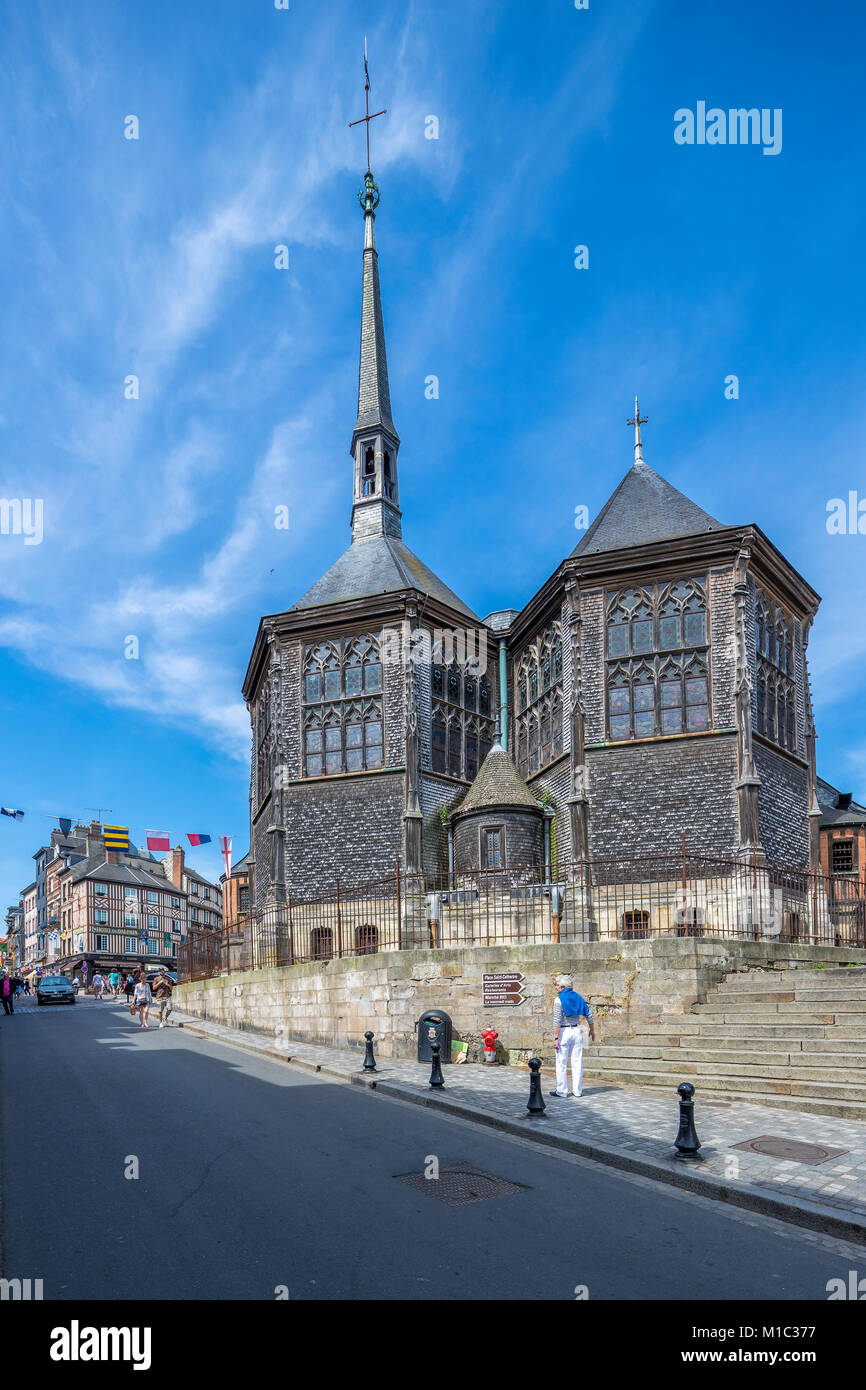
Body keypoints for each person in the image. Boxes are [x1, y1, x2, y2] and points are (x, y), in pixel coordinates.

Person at [550, 973, 596, 1100]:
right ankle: (577, 1091)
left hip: (564, 1033)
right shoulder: (578, 997)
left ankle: (562, 1091)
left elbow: (557, 1020)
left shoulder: (559, 999)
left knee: (561, 1062)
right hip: (577, 1031)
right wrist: (592, 1030)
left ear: (563, 986)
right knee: (577, 1062)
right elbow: (589, 1014)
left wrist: (555, 1038)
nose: (556, 987)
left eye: (557, 985)